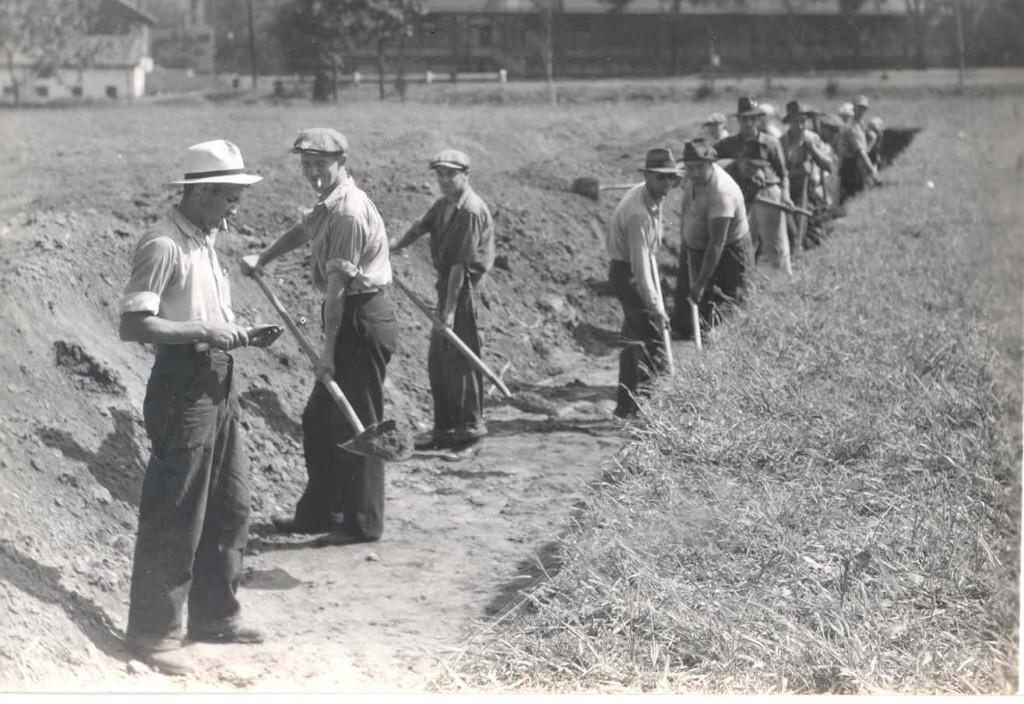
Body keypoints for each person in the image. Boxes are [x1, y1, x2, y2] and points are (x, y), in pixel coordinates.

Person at [119, 140, 264, 676]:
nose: (235, 208)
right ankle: (152, 631)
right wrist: (204, 331)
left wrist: (236, 334)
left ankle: (215, 617)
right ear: (200, 192)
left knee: (231, 505)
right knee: (176, 509)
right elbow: (134, 325)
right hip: (183, 384)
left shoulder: (204, 239)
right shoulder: (162, 244)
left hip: (220, 379)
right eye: (228, 197)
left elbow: (206, 310)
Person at [241, 128, 398, 547]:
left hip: (360, 318)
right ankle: (320, 512)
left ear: (341, 163)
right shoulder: (329, 204)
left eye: (320, 165)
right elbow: (303, 229)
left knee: (358, 422)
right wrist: (264, 257)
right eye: (306, 164)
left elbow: (336, 294)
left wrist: (327, 354)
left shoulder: (347, 211)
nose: (312, 172)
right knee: (317, 419)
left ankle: (362, 523)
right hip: (350, 316)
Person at [390, 149, 495, 455]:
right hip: (449, 289)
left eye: (452, 174)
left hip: (465, 293)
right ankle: (445, 429)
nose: (445, 180)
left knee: (463, 360)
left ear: (466, 175)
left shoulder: (471, 211)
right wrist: (390, 248)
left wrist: (448, 312)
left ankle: (470, 433)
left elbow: (460, 268)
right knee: (439, 359)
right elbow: (418, 228)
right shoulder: (444, 204)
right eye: (440, 174)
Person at [605, 147, 677, 418]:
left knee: (631, 342)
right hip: (629, 274)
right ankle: (653, 410)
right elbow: (640, 265)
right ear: (647, 176)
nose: (668, 184)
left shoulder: (653, 197)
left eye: (672, 178)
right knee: (652, 339)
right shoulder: (639, 214)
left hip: (634, 268)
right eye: (661, 178)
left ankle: (626, 408)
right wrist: (656, 307)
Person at [673, 140, 753, 337]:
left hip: (729, 251)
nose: (695, 173)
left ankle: (719, 352)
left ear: (711, 163)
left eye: (700, 167)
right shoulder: (692, 178)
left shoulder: (721, 193)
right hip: (697, 243)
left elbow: (717, 243)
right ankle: (687, 335)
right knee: (689, 308)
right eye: (690, 168)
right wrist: (687, 243)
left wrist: (700, 284)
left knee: (727, 305)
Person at [714, 96, 793, 275]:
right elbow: (711, 159)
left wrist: (785, 195)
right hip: (740, 197)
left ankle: (784, 284)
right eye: (744, 119)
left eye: (752, 118)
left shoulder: (771, 142)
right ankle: (745, 284)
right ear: (739, 120)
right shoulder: (728, 144)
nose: (749, 123)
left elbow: (783, 174)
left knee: (776, 245)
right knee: (743, 242)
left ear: (758, 119)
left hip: (768, 195)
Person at [779, 100, 834, 253]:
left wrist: (813, 150)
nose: (801, 126)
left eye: (803, 121)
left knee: (816, 236)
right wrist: (797, 172)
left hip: (813, 194)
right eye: (796, 122)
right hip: (789, 195)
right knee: (793, 235)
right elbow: (778, 175)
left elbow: (829, 165)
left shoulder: (813, 138)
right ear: (789, 122)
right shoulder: (780, 143)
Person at [837, 95, 878, 203]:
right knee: (851, 196)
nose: (861, 111)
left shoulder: (860, 124)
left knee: (858, 194)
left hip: (857, 163)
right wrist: (872, 170)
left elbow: (872, 136)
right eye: (859, 108)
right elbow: (860, 151)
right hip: (850, 165)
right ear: (854, 109)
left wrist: (867, 148)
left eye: (864, 109)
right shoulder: (851, 127)